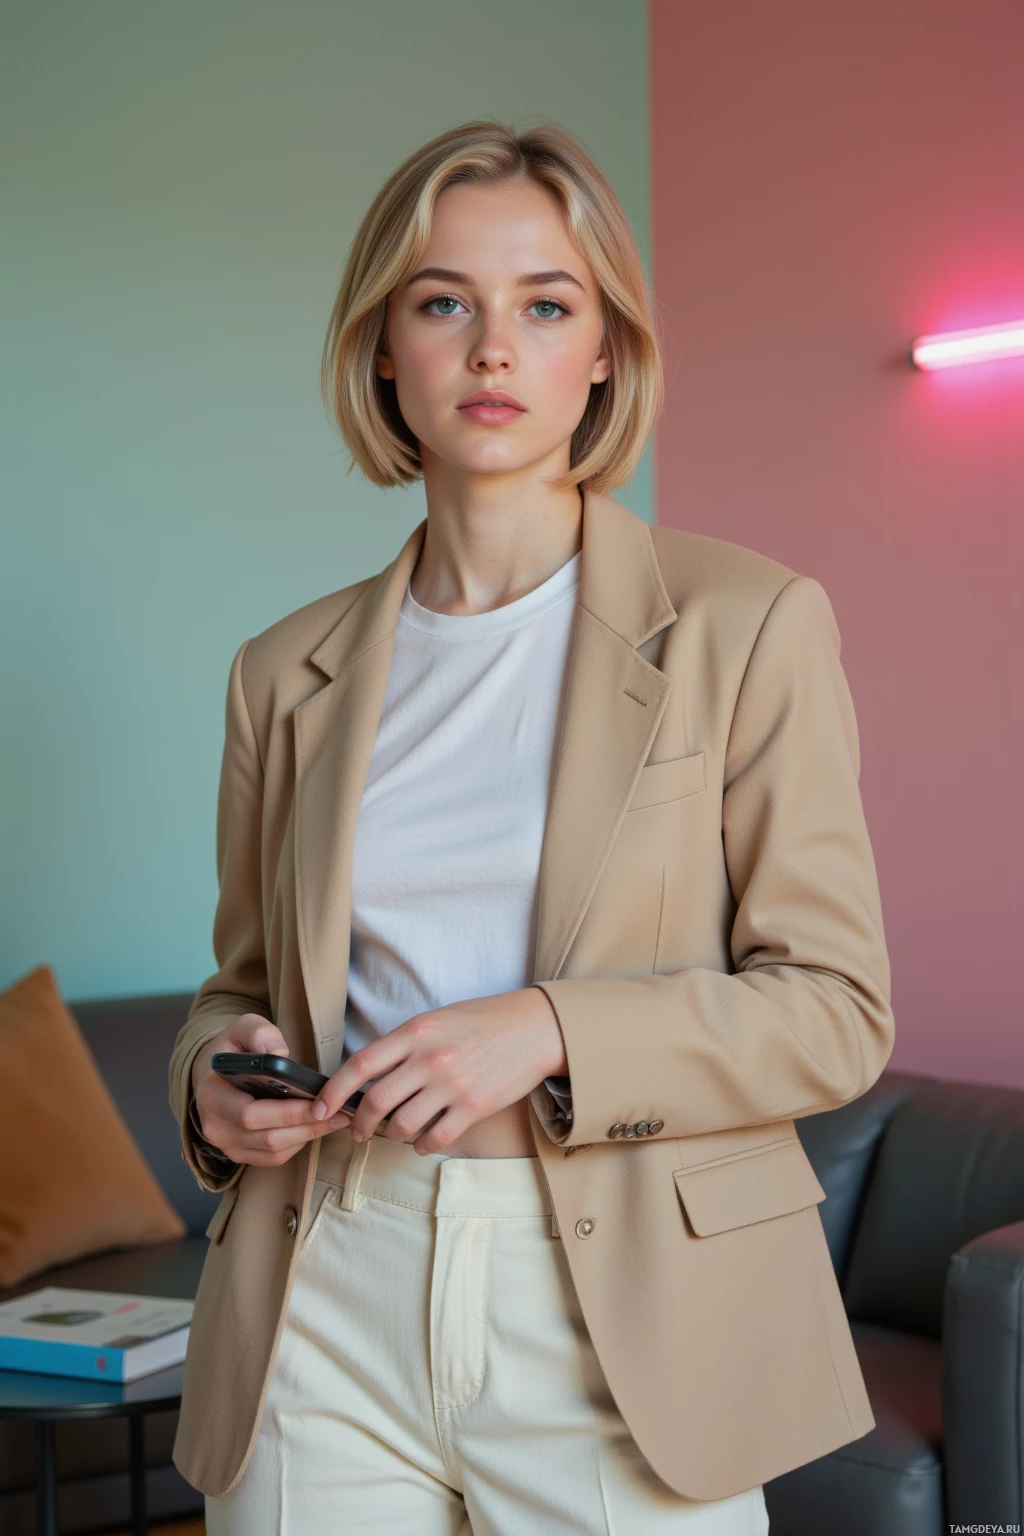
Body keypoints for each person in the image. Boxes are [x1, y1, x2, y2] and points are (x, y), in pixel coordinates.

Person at [169, 118, 894, 1535]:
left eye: (545, 306)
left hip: (621, 1305)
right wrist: (212, 1077)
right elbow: (240, 985)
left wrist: (554, 1028)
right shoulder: (281, 671)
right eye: (444, 302)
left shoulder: (746, 625)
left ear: (605, 350)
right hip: (325, 1281)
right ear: (385, 347)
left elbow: (837, 1010)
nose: (494, 349)